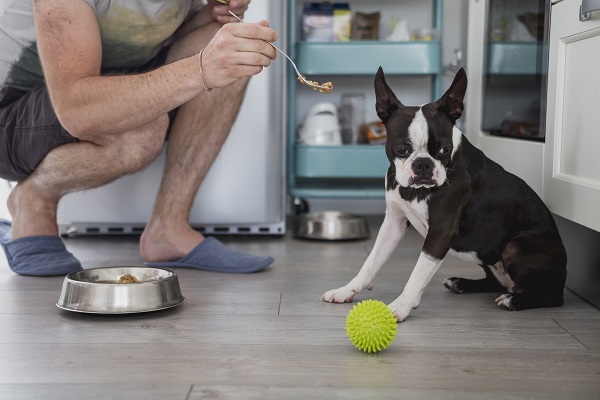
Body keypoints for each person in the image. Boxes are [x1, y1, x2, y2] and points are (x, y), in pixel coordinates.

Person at [0, 0, 277, 276]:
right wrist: (202, 68)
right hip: (12, 111)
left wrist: (208, 15)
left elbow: (160, 41)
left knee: (233, 48)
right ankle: (34, 199)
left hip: (97, 84)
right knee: (141, 130)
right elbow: (77, 108)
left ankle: (168, 228)